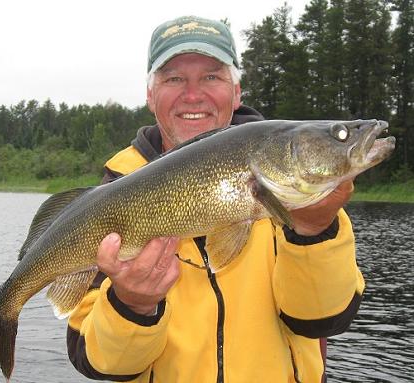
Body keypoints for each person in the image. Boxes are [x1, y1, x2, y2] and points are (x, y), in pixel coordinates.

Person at [67, 15, 364, 382]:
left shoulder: (308, 200)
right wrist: (133, 306)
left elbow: (323, 319)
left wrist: (312, 232)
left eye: (211, 76)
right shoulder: (112, 196)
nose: (193, 95)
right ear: (150, 95)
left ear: (236, 92)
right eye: (174, 78)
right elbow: (99, 363)